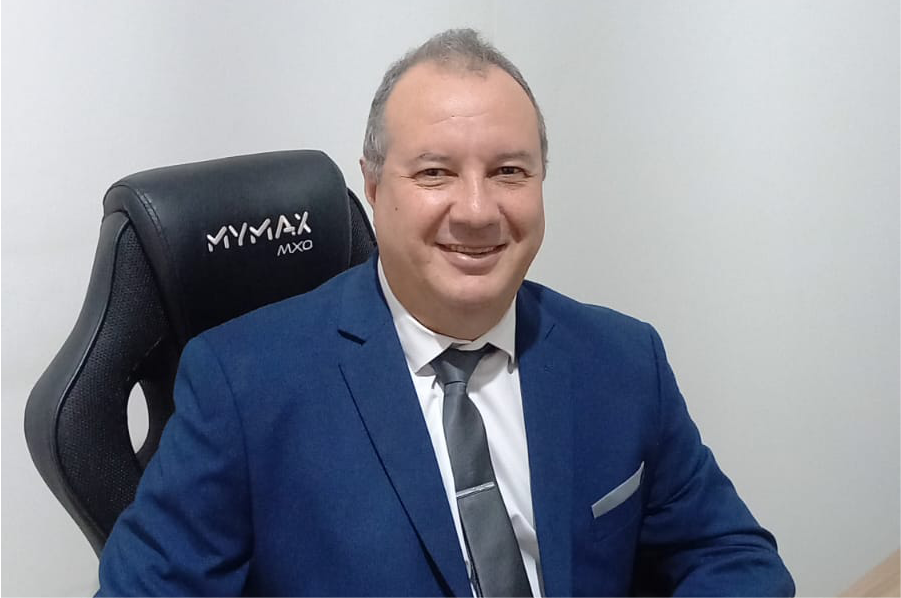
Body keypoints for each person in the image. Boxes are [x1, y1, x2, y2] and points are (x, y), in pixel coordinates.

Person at [95, 29, 794, 598]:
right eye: (435, 172)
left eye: (510, 171)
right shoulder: (242, 386)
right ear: (373, 186)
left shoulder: (622, 359)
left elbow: (732, 556)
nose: (478, 210)